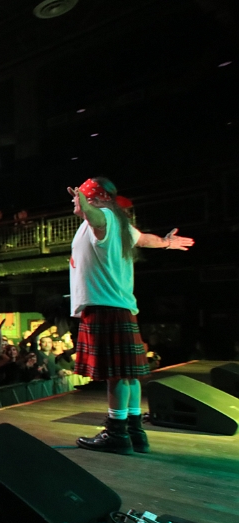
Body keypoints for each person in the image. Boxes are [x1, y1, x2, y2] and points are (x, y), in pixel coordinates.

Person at [68, 177, 194, 454]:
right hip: (118, 307)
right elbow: (144, 239)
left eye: (80, 197)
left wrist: (85, 206)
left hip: (105, 307)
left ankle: (116, 434)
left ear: (96, 199)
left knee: (116, 375)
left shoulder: (102, 218)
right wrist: (166, 243)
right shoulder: (120, 223)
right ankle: (135, 431)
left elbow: (94, 216)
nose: (75, 201)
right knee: (128, 375)